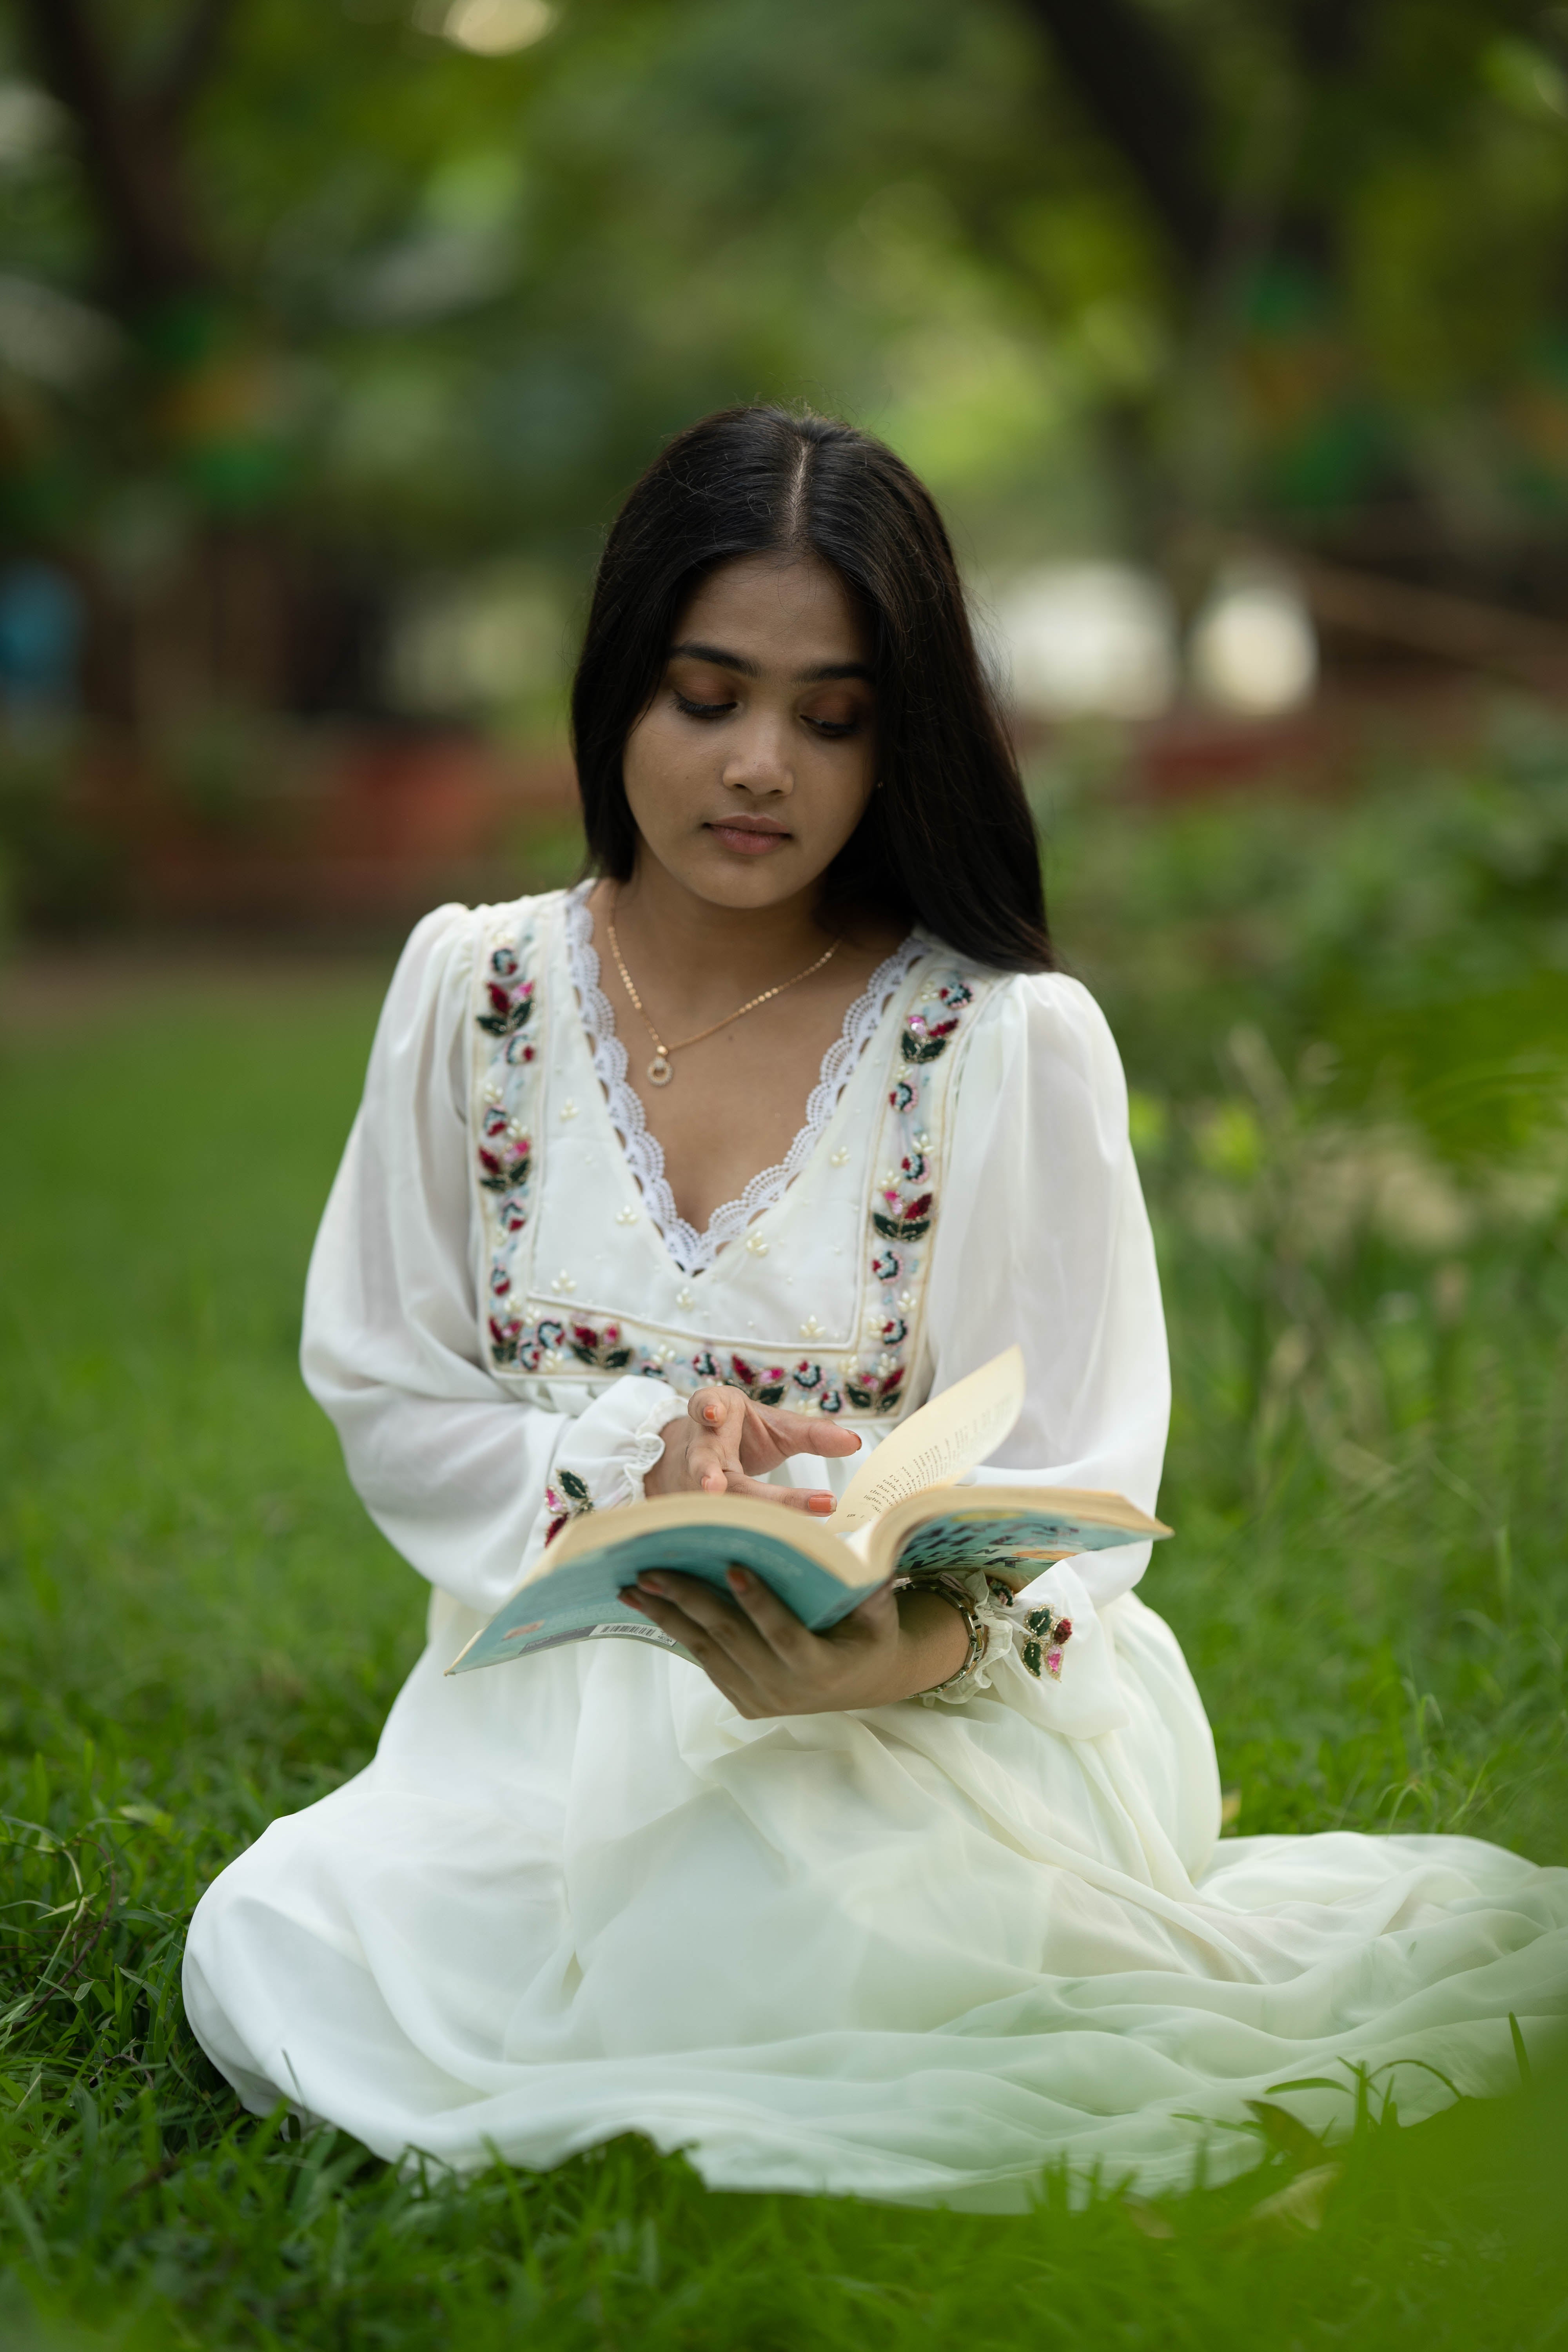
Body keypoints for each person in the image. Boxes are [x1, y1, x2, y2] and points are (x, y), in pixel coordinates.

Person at [183, 407, 1567, 2209]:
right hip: (541, 1717)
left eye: (830, 719)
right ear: (618, 691)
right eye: (707, 696)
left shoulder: (996, 1045)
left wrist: (896, 1645)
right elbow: (388, 1379)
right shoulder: (475, 991)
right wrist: (630, 1472)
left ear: (896, 740)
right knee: (288, 1930)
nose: (759, 765)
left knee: (755, 1934)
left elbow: (1076, 1493)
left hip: (929, 1722)